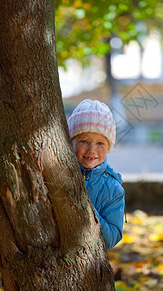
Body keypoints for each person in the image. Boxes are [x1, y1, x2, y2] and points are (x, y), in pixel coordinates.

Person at [68, 99, 125, 250]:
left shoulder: (113, 189)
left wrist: (87, 209)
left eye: (100, 143)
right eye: (84, 141)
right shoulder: (60, 173)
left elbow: (111, 238)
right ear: (71, 142)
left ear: (108, 146)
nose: (92, 150)